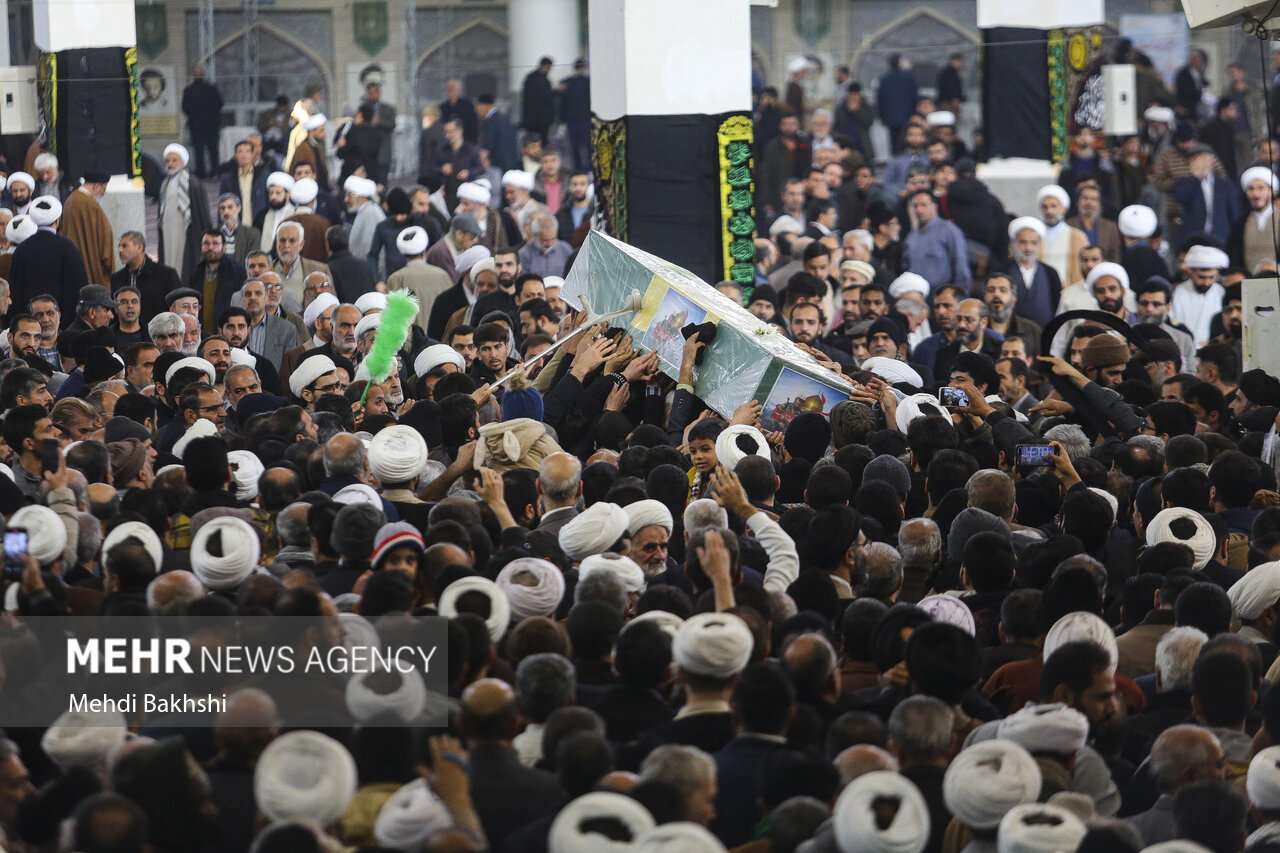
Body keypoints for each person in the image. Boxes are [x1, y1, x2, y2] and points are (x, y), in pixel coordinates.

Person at [158, 144, 212, 285]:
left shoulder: (192, 183)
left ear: (183, 162)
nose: (170, 164)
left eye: (174, 160)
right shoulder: (164, 184)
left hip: (187, 232)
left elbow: (202, 213)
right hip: (168, 232)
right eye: (168, 161)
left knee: (185, 264)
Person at [59, 172, 114, 286]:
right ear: (96, 186)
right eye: (103, 189)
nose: (103, 193)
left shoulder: (69, 201)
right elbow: (106, 243)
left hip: (72, 271)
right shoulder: (91, 206)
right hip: (93, 274)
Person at [181, 65, 224, 178]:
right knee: (213, 150)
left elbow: (185, 108)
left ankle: (201, 173)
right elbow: (220, 104)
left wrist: (195, 116)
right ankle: (215, 172)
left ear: (193, 75)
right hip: (212, 125)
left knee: (199, 151)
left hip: (196, 126)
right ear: (203, 75)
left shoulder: (189, 90)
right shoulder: (212, 88)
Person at [521, 57, 556, 144]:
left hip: (541, 120)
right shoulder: (535, 79)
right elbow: (541, 97)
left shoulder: (539, 78)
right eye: (549, 67)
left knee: (539, 143)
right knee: (535, 144)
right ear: (544, 66)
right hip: (536, 120)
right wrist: (555, 92)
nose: (549, 70)